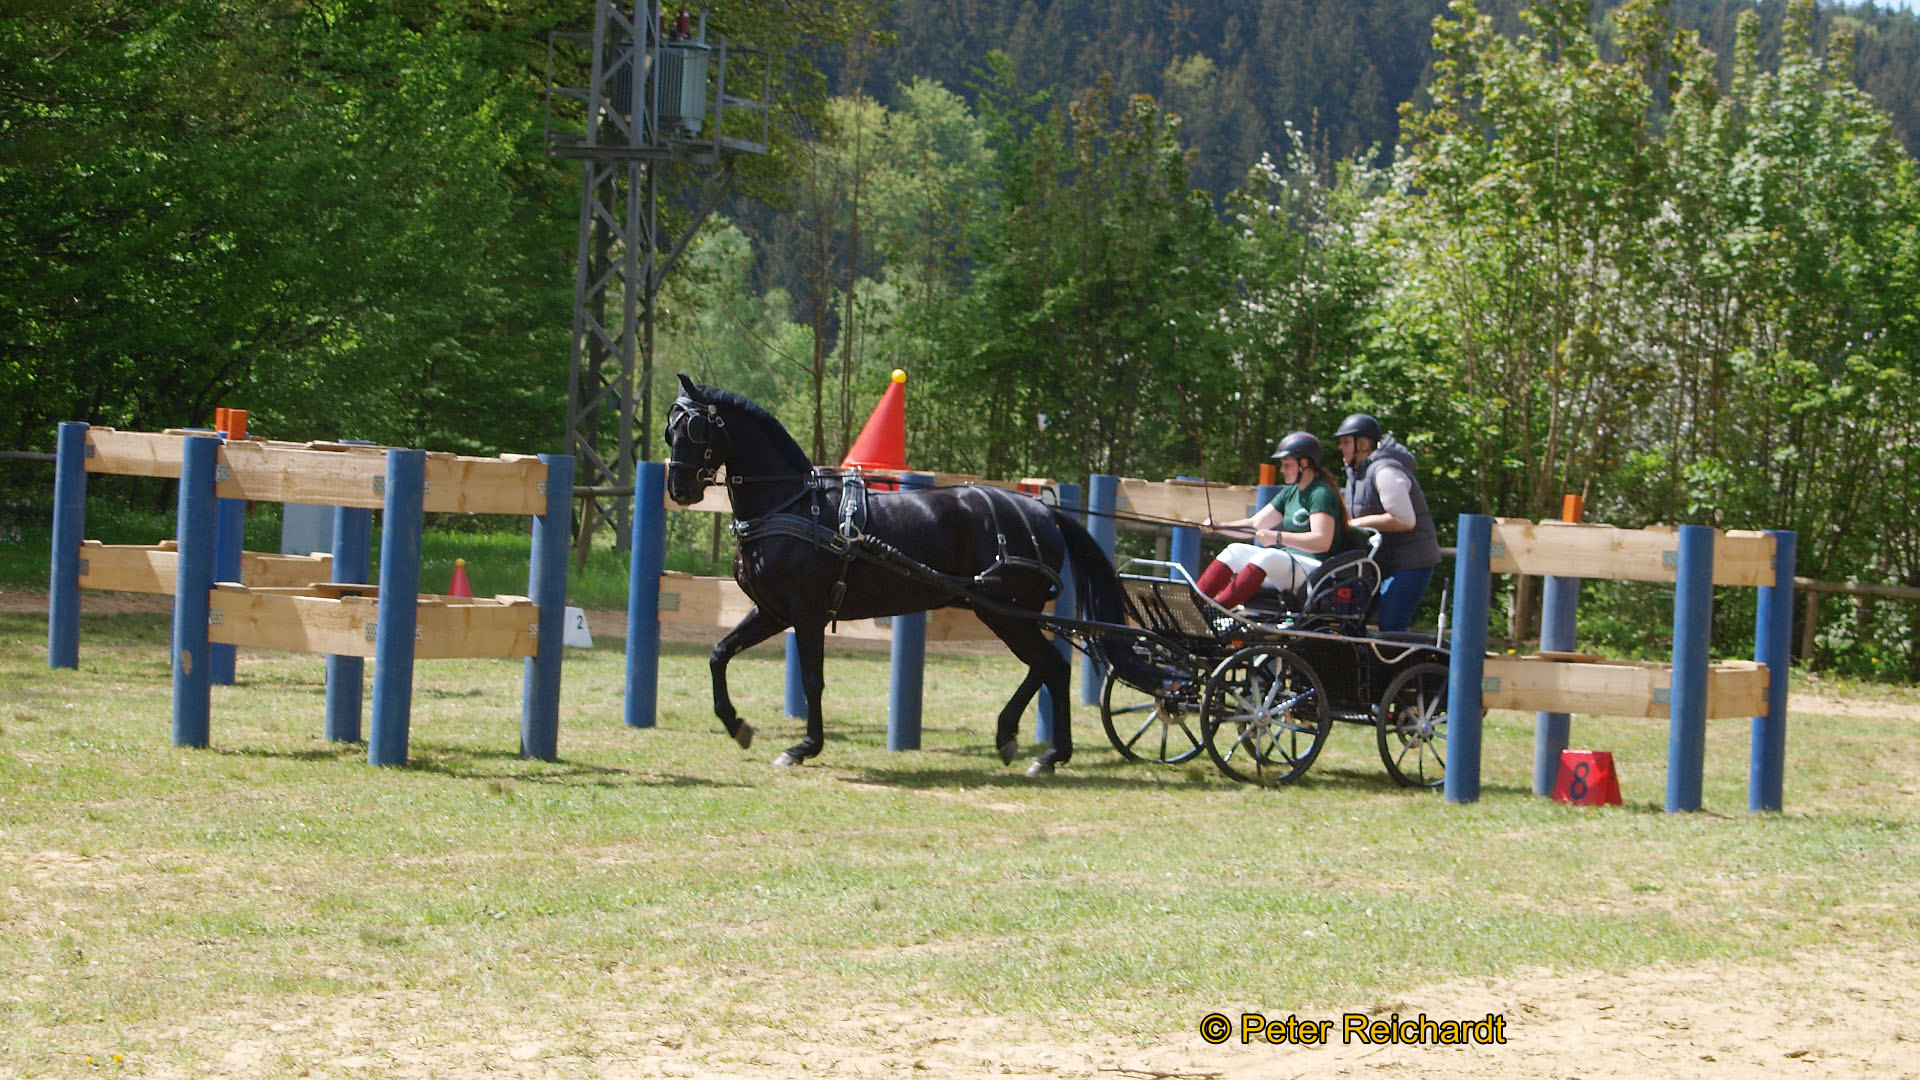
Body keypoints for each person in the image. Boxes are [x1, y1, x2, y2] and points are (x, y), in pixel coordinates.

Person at [1195, 431, 1349, 608]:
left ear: (1304, 463)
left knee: (1268, 555)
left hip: (1317, 569)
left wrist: (1277, 537)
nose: (1282, 470)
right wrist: (1219, 527)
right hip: (1290, 564)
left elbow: (1322, 541)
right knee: (1234, 550)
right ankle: (1193, 605)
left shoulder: (1320, 494)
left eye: (1286, 464)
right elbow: (1255, 524)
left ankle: (1217, 611)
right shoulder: (1290, 493)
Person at [1334, 413, 1441, 631]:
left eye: (1346, 442)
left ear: (1362, 444)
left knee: (1391, 623)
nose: (1340, 447)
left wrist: (1355, 524)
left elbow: (1404, 520)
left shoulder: (1385, 472)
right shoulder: (1356, 473)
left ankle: (1401, 664)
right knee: (1353, 619)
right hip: (1383, 563)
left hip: (1411, 563)